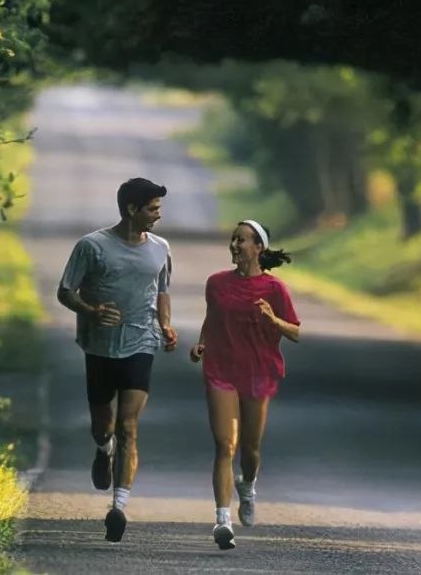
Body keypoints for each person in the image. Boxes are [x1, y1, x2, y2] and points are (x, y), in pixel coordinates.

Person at [56, 177, 178, 543]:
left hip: (142, 342)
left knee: (129, 427)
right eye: (153, 208)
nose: (158, 215)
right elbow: (65, 291)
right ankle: (101, 449)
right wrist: (91, 311)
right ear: (131, 210)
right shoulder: (92, 247)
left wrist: (166, 325)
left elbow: (163, 290)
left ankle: (118, 507)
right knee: (103, 425)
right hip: (100, 346)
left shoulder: (160, 248)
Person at [189, 219, 300, 550]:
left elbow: (294, 331)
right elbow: (212, 320)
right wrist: (201, 344)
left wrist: (273, 320)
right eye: (233, 239)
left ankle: (248, 486)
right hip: (221, 368)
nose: (235, 245)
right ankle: (222, 520)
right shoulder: (216, 283)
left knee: (250, 449)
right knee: (226, 445)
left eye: (242, 240)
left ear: (259, 248)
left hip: (257, 371)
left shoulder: (275, 289)